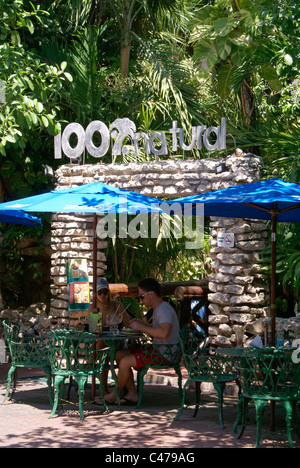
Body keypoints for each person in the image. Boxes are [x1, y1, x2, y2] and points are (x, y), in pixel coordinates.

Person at [104, 278, 180, 405]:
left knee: (124, 362)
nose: (140, 300)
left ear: (151, 294)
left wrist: (141, 327)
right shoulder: (159, 308)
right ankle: (132, 393)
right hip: (160, 350)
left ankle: (114, 394)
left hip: (166, 354)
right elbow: (158, 329)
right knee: (119, 354)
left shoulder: (163, 310)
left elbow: (164, 333)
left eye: (141, 297)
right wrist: (142, 323)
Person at [88, 277, 130, 394]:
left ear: (109, 292)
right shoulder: (93, 308)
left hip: (117, 342)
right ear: (95, 294)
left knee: (104, 349)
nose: (102, 295)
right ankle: (104, 387)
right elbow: (93, 330)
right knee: (102, 347)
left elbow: (127, 324)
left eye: (105, 292)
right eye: (99, 292)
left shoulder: (117, 306)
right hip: (99, 344)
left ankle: (109, 388)